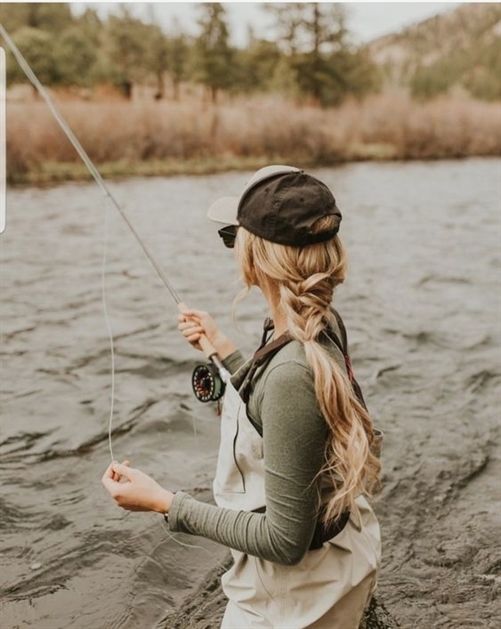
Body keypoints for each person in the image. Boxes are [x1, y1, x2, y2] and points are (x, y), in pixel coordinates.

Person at [101, 164, 383, 628]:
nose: (233, 251)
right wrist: (224, 352)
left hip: (297, 602)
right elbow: (283, 412)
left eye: (233, 238)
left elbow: (284, 540)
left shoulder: (294, 369)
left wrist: (165, 503)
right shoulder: (319, 324)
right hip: (342, 562)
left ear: (254, 259)